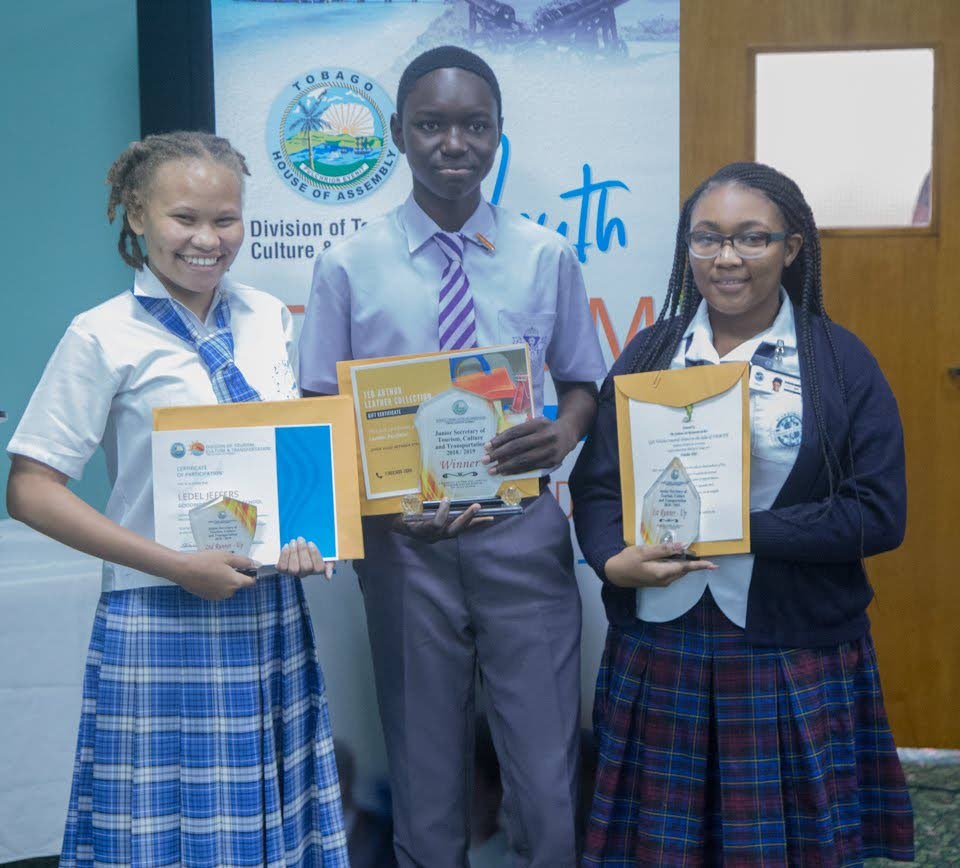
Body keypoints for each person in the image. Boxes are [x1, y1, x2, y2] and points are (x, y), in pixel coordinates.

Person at [6, 131, 349, 866]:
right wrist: (173, 565)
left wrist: (306, 535)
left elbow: (289, 459)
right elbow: (30, 491)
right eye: (184, 217)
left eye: (225, 219)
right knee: (162, 830)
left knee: (265, 821)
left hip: (266, 608)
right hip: (158, 609)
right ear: (136, 216)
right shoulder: (101, 336)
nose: (207, 239)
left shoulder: (267, 317)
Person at [299, 45, 606, 868]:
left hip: (524, 536)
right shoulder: (346, 265)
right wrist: (383, 500)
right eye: (431, 125)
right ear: (398, 133)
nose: (453, 143)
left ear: (500, 134)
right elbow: (316, 413)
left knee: (544, 778)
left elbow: (583, 381)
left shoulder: (546, 255)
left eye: (475, 125)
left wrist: (565, 432)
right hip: (407, 548)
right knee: (426, 777)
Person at [570, 162, 914, 866]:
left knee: (782, 847)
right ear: (687, 248)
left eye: (751, 238)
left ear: (791, 248)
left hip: (790, 647)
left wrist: (736, 527)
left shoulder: (839, 362)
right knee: (659, 847)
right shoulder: (652, 352)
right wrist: (611, 559)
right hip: (660, 643)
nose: (726, 258)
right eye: (707, 238)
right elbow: (598, 485)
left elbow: (879, 514)